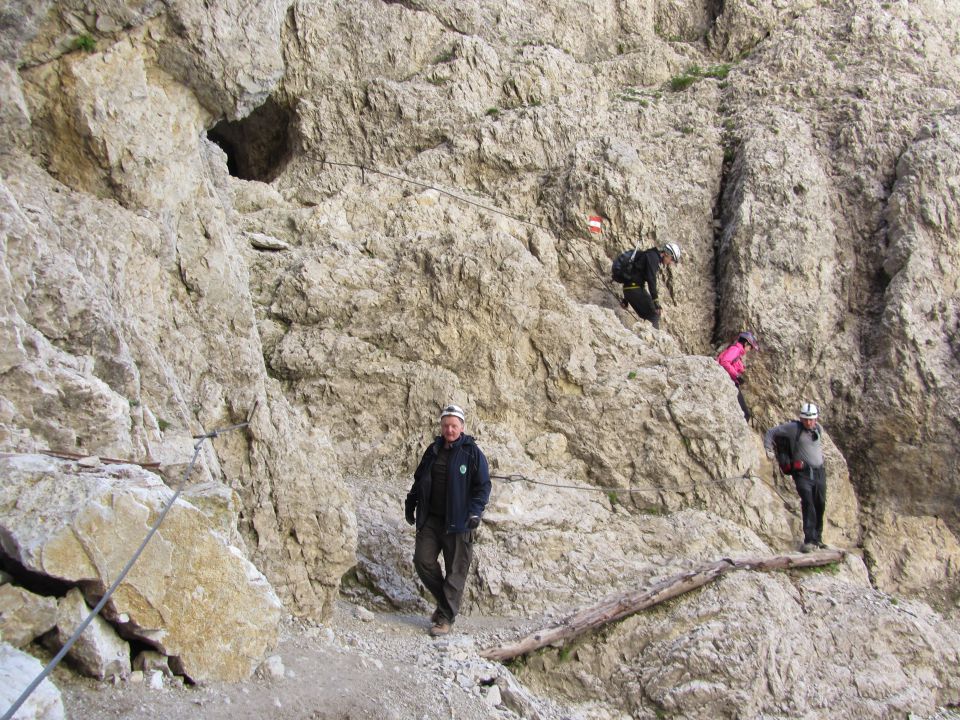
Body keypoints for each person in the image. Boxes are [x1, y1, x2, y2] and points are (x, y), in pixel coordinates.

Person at [405, 404, 491, 636]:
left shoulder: (472, 453)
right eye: (446, 425)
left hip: (459, 522)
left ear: (462, 427)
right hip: (431, 519)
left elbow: (482, 486)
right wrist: (411, 502)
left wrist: (475, 512)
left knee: (456, 571)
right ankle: (446, 605)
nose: (449, 430)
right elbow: (420, 478)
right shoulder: (433, 450)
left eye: (454, 426)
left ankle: (445, 618)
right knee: (422, 561)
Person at [764, 403, 828, 553]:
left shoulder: (818, 429)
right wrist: (768, 449)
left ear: (816, 419)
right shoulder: (793, 429)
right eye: (806, 419)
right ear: (801, 418)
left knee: (820, 504)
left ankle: (818, 538)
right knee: (808, 502)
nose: (809, 422)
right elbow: (771, 432)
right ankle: (809, 540)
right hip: (803, 474)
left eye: (812, 419)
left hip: (819, 472)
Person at [617, 243, 681, 329]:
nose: (670, 262)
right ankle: (652, 340)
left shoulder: (650, 255)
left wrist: (626, 299)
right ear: (667, 253)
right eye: (672, 259)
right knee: (654, 314)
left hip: (629, 289)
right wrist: (656, 302)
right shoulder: (653, 257)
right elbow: (651, 280)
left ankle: (646, 335)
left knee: (648, 315)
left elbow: (634, 274)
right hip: (635, 289)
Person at [717, 331, 759, 420]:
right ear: (746, 343)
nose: (749, 350)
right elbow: (725, 362)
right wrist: (736, 375)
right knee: (744, 414)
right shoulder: (735, 349)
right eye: (750, 347)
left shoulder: (737, 353)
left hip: (731, 383)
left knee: (743, 413)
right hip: (730, 383)